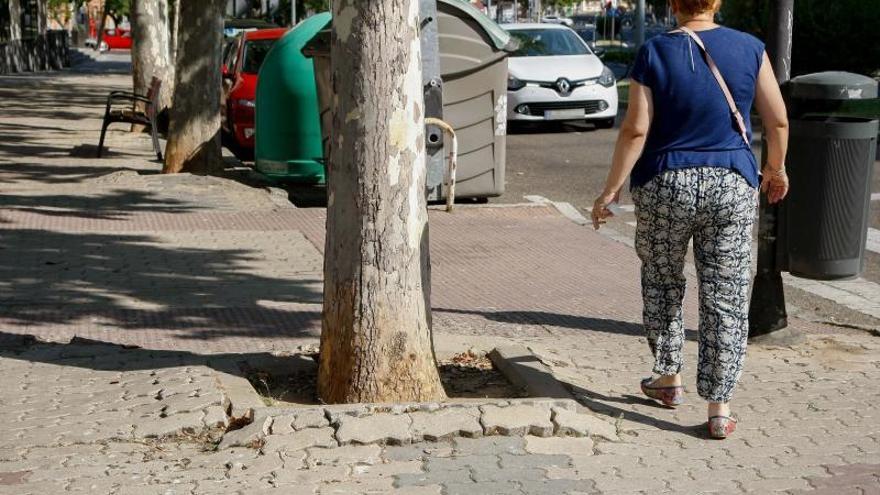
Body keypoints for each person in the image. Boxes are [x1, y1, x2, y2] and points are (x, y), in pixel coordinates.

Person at [591, 0, 789, 439]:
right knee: (727, 293)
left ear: (674, 5)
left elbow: (636, 130)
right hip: (731, 184)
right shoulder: (751, 48)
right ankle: (720, 408)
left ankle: (667, 377)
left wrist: (610, 189)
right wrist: (775, 169)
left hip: (666, 182)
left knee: (662, 280)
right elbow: (776, 121)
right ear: (716, 3)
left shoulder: (655, 51)